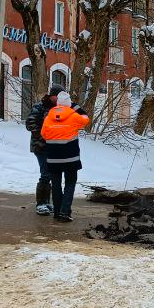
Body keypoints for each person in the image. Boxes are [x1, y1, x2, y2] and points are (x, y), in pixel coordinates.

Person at [40, 92, 90, 222]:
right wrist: (75, 107)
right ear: (69, 104)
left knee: (56, 184)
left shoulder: (48, 117)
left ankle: (57, 212)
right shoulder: (73, 116)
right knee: (70, 183)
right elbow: (86, 119)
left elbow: (44, 135)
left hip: (53, 157)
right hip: (70, 157)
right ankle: (64, 211)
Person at [26, 85, 65, 216]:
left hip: (54, 146)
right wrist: (43, 136)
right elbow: (30, 123)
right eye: (57, 97)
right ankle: (40, 203)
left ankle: (47, 202)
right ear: (52, 95)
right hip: (40, 146)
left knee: (52, 173)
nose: (59, 99)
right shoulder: (40, 106)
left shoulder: (60, 107)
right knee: (46, 173)